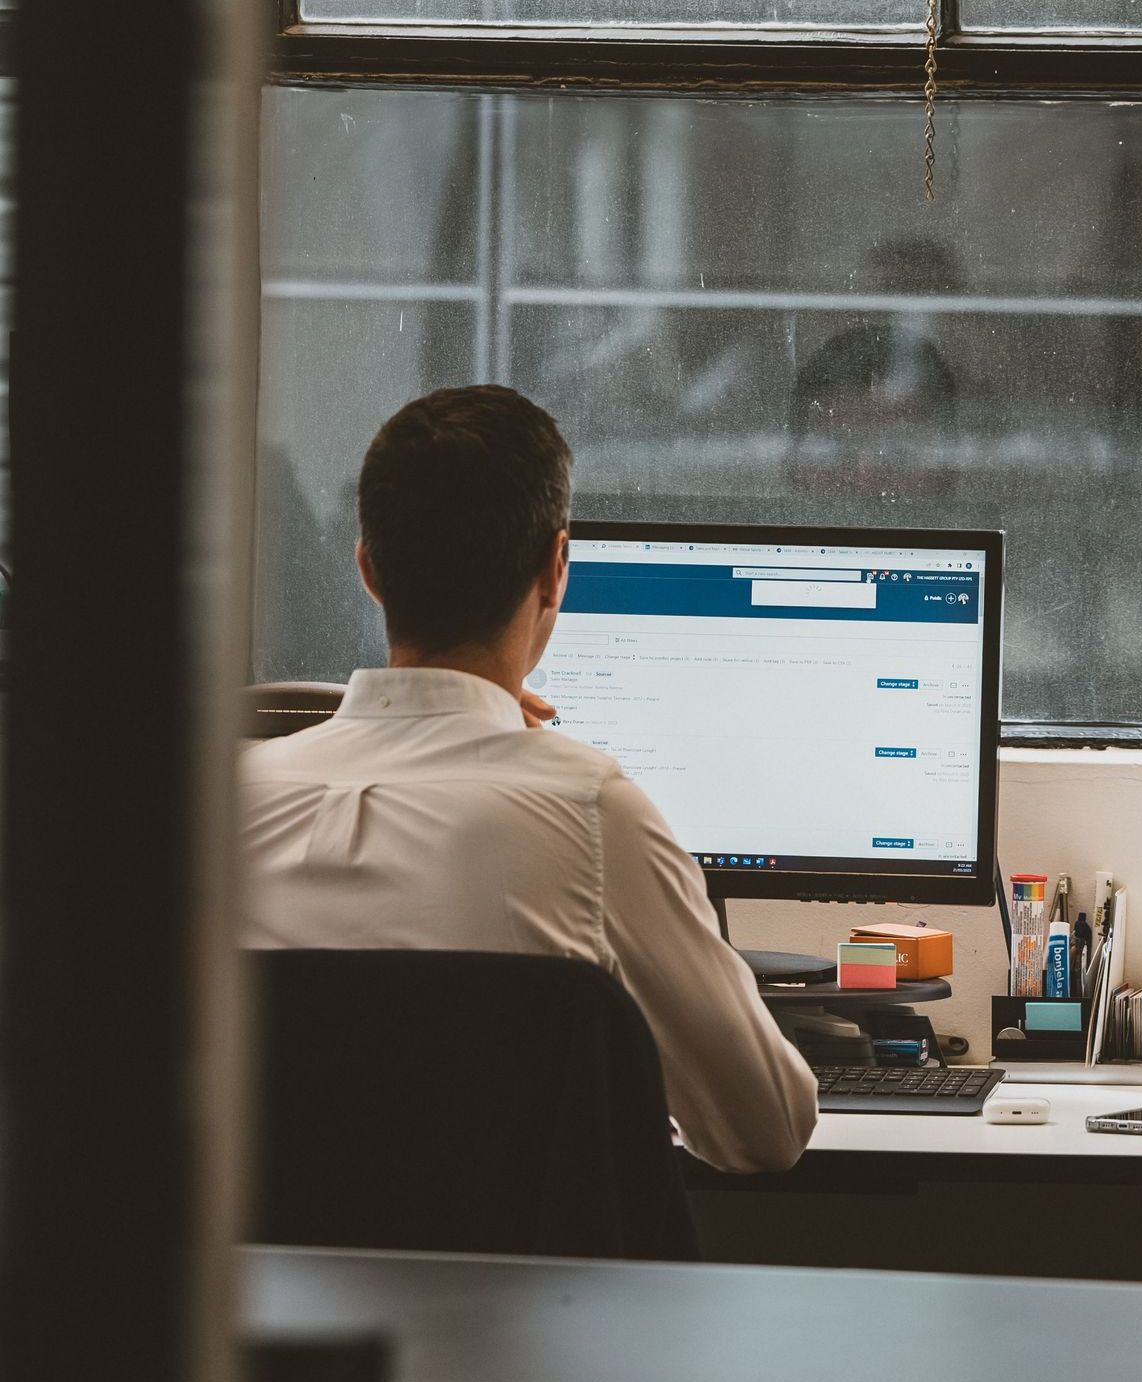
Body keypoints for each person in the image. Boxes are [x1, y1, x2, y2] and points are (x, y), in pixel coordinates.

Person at [239, 384, 816, 1173]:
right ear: (555, 570)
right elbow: (765, 1132)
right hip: (528, 1296)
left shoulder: (224, 807)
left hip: (273, 1292)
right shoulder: (586, 809)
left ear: (370, 570)